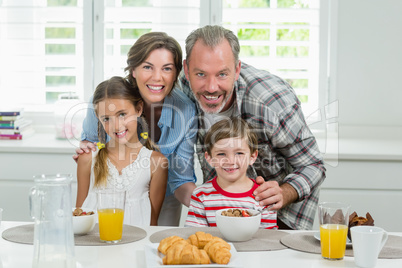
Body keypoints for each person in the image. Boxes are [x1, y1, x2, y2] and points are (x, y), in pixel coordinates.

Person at [179, 25, 326, 230]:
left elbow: (313, 165)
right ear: (186, 70)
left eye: (222, 74)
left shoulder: (272, 102)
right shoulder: (180, 89)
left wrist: (285, 192)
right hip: (220, 210)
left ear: (237, 69)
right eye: (201, 74)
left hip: (278, 212)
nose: (211, 87)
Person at [74, 32, 198, 226]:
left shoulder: (186, 111)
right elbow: (91, 144)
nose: (157, 77)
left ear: (177, 73)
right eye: (147, 67)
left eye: (167, 68)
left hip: (164, 197)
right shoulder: (106, 100)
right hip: (107, 199)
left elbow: (181, 179)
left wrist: (212, 206)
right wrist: (86, 153)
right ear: (133, 70)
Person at [75, 76, 168, 226]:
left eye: (122, 114)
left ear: (139, 109)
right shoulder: (87, 159)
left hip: (135, 246)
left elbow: (152, 224)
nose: (116, 126)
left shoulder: (156, 163)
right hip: (94, 246)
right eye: (106, 119)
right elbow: (79, 217)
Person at [185, 118, 277, 229]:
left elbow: (268, 239)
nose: (230, 161)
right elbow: (195, 237)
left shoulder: (263, 196)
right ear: (209, 159)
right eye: (221, 154)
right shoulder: (201, 195)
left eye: (239, 153)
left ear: (252, 157)